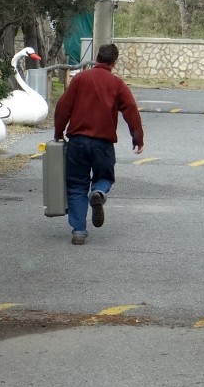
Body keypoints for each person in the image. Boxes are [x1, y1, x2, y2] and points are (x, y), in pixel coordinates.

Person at [53, 43, 144, 245]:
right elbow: (131, 111)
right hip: (103, 143)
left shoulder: (80, 79)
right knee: (104, 177)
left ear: (97, 58)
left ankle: (78, 230)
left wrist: (59, 132)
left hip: (77, 141)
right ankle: (99, 192)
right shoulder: (117, 84)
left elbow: (63, 107)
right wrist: (137, 138)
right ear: (114, 62)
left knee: (76, 185)